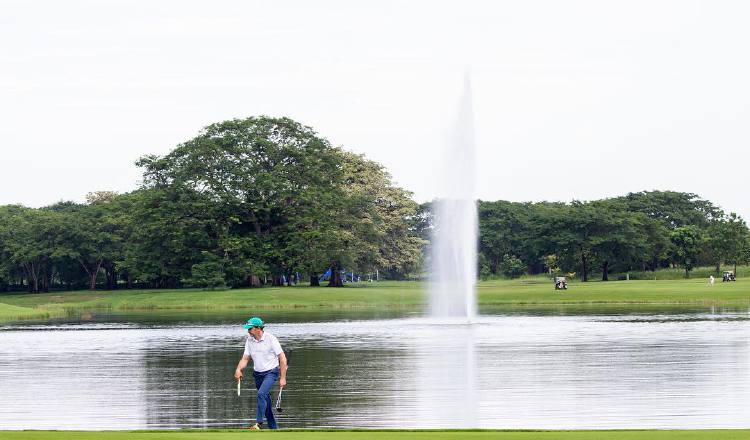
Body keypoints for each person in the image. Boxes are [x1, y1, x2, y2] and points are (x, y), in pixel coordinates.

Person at [234, 317, 288, 430]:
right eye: (248, 329)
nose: (248, 331)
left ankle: (258, 423)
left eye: (250, 329)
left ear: (258, 328)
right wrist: (238, 369)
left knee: (261, 394)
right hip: (258, 374)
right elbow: (245, 359)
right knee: (266, 404)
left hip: (271, 372)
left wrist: (282, 378)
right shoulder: (249, 341)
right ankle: (274, 429)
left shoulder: (271, 339)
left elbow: (282, 359)